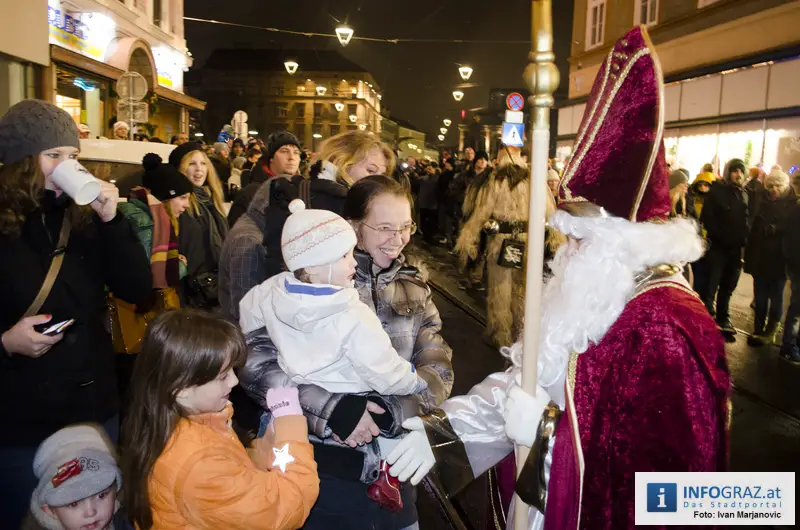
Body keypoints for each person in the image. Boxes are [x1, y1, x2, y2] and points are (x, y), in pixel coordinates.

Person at [384, 27, 730, 530]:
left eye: (582, 238)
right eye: (569, 235)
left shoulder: (664, 324)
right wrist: (443, 434)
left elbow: (691, 499)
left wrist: (548, 435)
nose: (569, 251)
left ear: (623, 241)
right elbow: (525, 385)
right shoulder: (594, 295)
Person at [239, 175, 453, 529]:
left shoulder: (416, 290)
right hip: (318, 463)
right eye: (385, 227)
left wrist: (393, 411)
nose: (397, 239)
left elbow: (438, 366)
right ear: (354, 226)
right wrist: (331, 408)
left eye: (405, 226)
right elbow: (255, 365)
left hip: (395, 464)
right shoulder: (305, 285)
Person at [0, 100, 151, 529]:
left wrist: (111, 220)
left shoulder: (83, 218)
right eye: (54, 156)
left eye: (73, 157)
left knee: (98, 516)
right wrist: (7, 341)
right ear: (20, 163)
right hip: (19, 418)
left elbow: (137, 291)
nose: (67, 166)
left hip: (90, 406)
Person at [121, 310, 319, 530]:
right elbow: (284, 508)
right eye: (222, 376)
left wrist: (269, 444)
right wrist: (290, 426)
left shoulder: (174, 420)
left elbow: (234, 469)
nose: (234, 381)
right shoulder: (198, 463)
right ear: (181, 388)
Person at [219, 130, 393, 322]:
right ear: (342, 163)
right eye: (371, 170)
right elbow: (247, 319)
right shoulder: (252, 239)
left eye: (382, 174)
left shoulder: (330, 207)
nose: (378, 181)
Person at [456, 145, 563, 347]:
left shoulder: (494, 180)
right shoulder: (533, 180)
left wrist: (469, 238)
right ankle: (522, 332)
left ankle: (500, 333)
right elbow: (548, 209)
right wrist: (557, 238)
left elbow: (482, 211)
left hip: (502, 241)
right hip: (529, 240)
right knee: (525, 286)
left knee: (500, 287)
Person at [24, 424, 128, 530]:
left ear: (116, 490)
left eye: (101, 495)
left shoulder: (127, 521)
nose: (90, 512)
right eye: (73, 504)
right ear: (51, 511)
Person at [169, 142, 229, 300]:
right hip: (190, 293)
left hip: (214, 290)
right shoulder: (180, 205)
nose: (199, 169)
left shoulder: (212, 201)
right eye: (192, 164)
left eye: (203, 163)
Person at [699, 158, 749, 340]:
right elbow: (707, 218)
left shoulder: (744, 194)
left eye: (741, 171)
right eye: (735, 171)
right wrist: (720, 236)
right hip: (718, 248)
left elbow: (745, 219)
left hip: (735, 251)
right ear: (729, 173)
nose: (739, 174)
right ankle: (706, 322)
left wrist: (743, 240)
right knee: (711, 286)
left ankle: (723, 319)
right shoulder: (717, 192)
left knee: (728, 287)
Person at [744, 167, 795, 346]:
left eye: (778, 185)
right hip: (760, 258)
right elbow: (753, 229)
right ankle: (758, 329)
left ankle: (771, 330)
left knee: (776, 296)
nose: (774, 189)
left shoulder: (792, 204)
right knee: (760, 296)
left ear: (785, 186)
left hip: (780, 260)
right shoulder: (761, 201)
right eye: (771, 185)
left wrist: (777, 228)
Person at [227, 130, 302, 227]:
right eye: (284, 151)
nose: (291, 157)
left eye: (296, 152)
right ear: (271, 158)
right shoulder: (251, 193)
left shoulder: (303, 190)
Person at [781, 172, 800, 363]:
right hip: (798, 265)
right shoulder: (796, 208)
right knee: (797, 307)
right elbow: (793, 242)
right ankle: (788, 345)